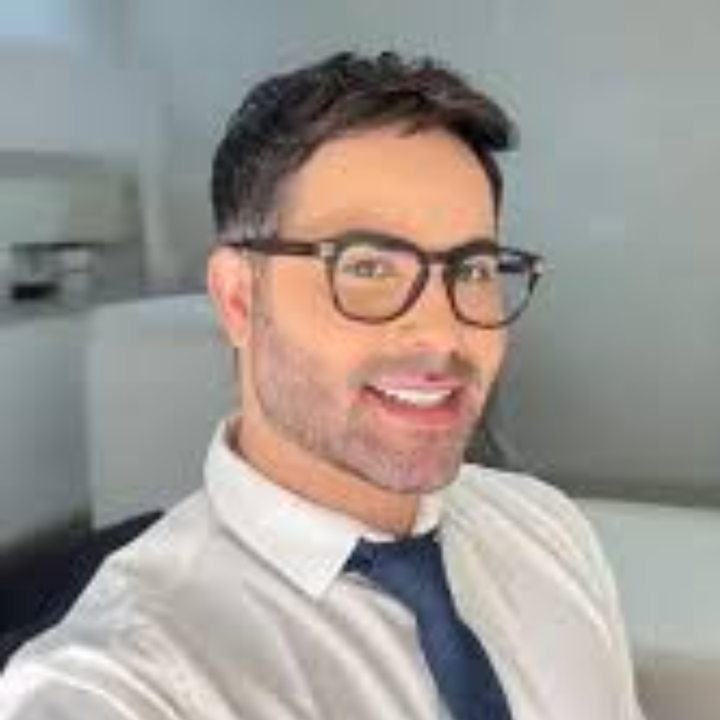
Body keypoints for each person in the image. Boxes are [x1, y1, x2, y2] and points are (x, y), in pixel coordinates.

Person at [0, 51, 645, 720]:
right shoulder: (119, 682)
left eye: (473, 269)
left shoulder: (549, 531)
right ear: (239, 299)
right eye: (367, 267)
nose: (442, 334)